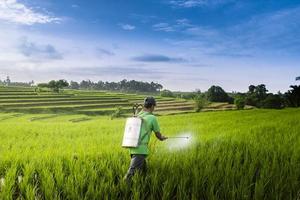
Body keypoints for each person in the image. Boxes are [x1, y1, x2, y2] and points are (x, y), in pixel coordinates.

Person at [124, 96, 168, 182]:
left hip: (132, 147)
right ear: (152, 106)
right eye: (154, 106)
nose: (154, 108)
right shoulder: (152, 118)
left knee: (143, 172)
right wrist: (163, 138)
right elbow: (158, 136)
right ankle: (122, 190)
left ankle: (144, 185)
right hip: (140, 149)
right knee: (130, 175)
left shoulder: (138, 115)